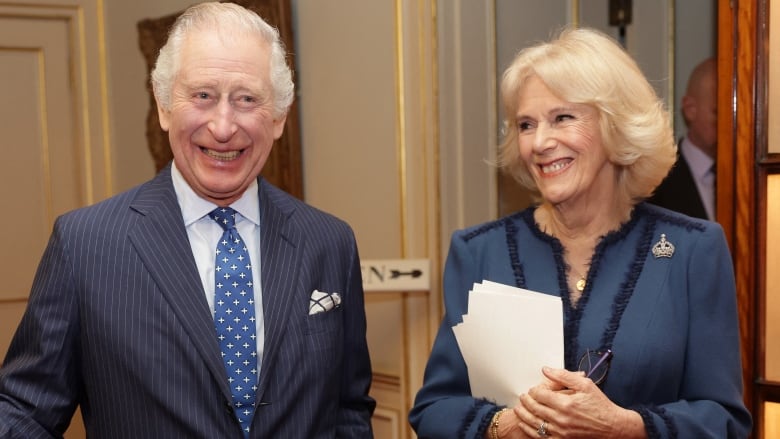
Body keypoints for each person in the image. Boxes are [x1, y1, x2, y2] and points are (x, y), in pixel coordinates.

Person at [0, 2, 375, 437]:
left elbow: (348, 407)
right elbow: (26, 410)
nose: (222, 126)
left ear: (277, 118)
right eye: (203, 96)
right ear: (163, 108)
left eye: (246, 99)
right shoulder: (84, 244)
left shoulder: (329, 242)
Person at [409, 28, 750, 438]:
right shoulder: (479, 252)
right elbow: (434, 409)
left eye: (562, 118)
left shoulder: (692, 250)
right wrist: (504, 426)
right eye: (525, 124)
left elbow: (724, 420)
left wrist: (624, 427)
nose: (539, 142)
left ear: (616, 126)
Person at [648, 57, 717, 220]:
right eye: (718, 112)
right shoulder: (655, 181)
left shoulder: (749, 176)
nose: (730, 123)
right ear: (690, 109)